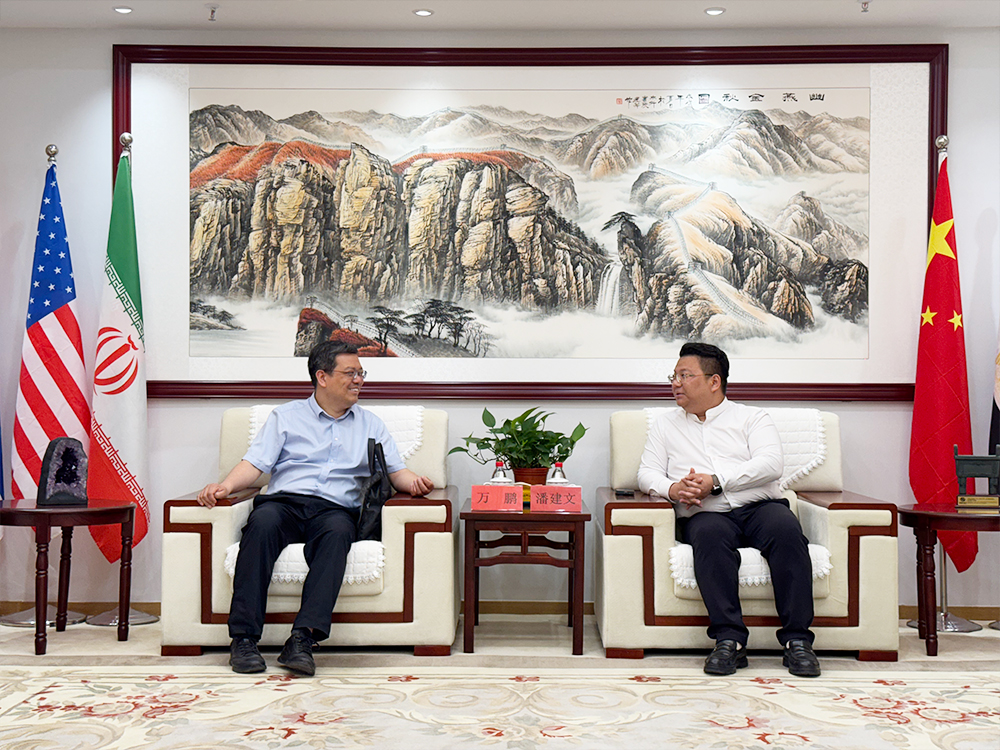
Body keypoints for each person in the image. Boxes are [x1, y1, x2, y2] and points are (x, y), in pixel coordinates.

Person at [197, 341, 433, 676]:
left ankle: (302, 640)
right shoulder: (286, 416)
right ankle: (244, 640)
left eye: (361, 373)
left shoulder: (371, 424)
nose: (359, 380)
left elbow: (396, 472)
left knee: (338, 534)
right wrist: (225, 487)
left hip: (335, 510)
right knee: (260, 527)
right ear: (322, 377)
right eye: (350, 373)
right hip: (283, 504)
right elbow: (255, 463)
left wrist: (416, 483)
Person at [637, 342, 821, 678]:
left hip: (760, 507)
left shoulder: (752, 418)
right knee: (708, 537)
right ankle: (729, 640)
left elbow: (771, 464)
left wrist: (716, 481)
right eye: (673, 376)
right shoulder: (665, 425)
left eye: (684, 376)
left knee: (786, 531)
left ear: (714, 381)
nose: (675, 383)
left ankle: (797, 640)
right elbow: (646, 473)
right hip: (706, 513)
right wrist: (673, 489)